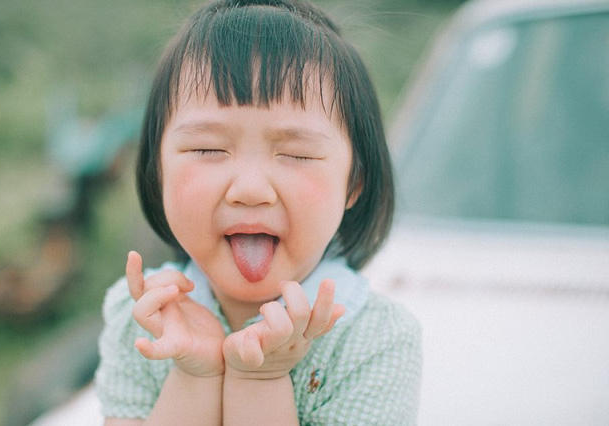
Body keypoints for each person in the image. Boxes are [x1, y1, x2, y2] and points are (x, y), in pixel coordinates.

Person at [95, 0, 422, 424]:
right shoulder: (139, 317)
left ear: (354, 183)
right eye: (207, 149)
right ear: (157, 172)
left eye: (296, 154)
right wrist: (195, 373)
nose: (250, 190)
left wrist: (260, 378)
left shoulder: (373, 341)